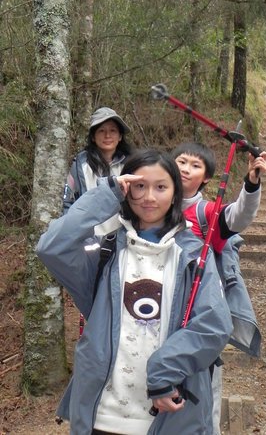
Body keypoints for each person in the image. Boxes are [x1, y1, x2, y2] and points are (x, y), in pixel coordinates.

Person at [37, 148, 233, 435]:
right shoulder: (104, 254)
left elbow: (214, 325)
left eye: (161, 187)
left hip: (168, 417)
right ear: (127, 189)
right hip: (101, 417)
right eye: (140, 186)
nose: (150, 197)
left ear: (175, 193)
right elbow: (50, 247)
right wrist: (107, 194)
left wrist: (165, 370)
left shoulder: (194, 256)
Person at [171, 141, 266, 435]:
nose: (186, 169)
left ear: (206, 178)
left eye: (195, 165)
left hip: (200, 320)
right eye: (181, 161)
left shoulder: (206, 214)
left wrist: (251, 183)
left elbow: (238, 217)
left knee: (203, 396)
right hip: (160, 314)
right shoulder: (150, 205)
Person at [63, 106, 133, 236]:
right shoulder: (80, 165)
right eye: (101, 131)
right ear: (93, 137)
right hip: (89, 237)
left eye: (113, 130)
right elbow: (68, 200)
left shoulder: (131, 163)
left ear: (120, 136)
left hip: (124, 237)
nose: (107, 135)